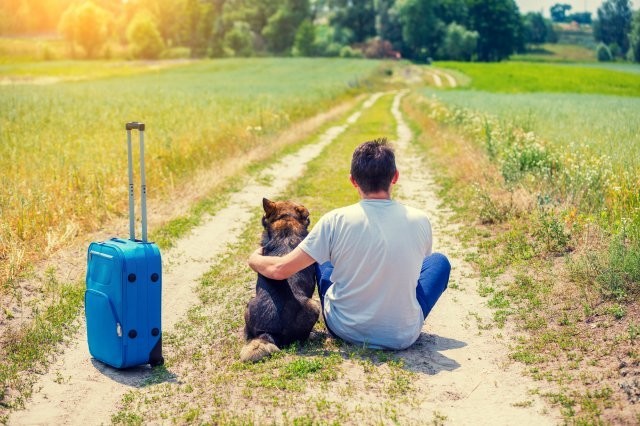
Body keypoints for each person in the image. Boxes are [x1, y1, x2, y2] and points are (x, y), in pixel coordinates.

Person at [248, 138, 450, 350]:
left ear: (353, 180)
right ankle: (395, 317)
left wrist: (254, 258)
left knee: (320, 257)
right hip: (402, 335)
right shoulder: (421, 219)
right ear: (395, 177)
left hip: (344, 328)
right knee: (439, 262)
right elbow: (417, 272)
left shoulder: (335, 220)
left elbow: (280, 270)